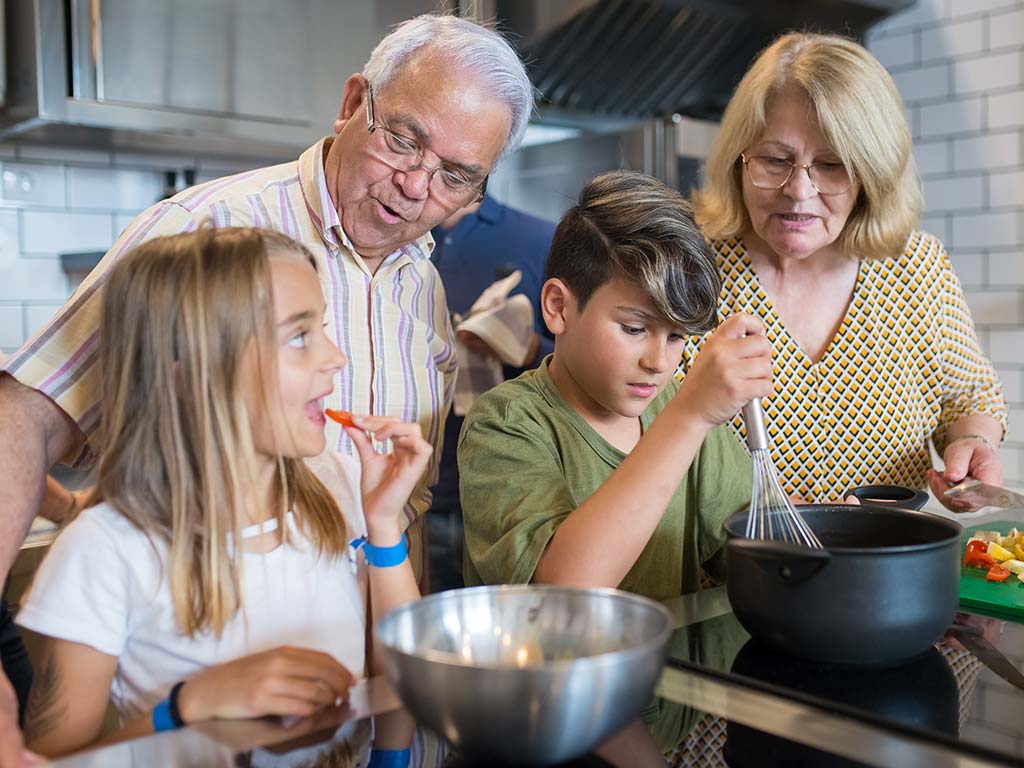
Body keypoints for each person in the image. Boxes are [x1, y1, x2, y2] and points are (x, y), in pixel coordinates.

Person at [0, 15, 532, 761]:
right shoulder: (208, 231)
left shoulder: (422, 286)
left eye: (456, 176)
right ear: (353, 104)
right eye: (404, 139)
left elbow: (393, 525)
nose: (416, 186)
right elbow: (24, 414)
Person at [15, 228, 431, 759]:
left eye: (322, 328)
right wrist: (189, 704)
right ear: (194, 377)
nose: (335, 358)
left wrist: (385, 526)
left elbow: (394, 680)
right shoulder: (103, 551)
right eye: (300, 337)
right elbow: (51, 759)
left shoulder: (342, 481)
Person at [680, 32, 1007, 506]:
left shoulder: (915, 268)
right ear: (739, 158)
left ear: (872, 176)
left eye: (831, 165)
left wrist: (972, 447)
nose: (799, 191)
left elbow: (969, 399)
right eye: (776, 160)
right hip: (735, 572)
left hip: (888, 569)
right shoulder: (689, 271)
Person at [427, 195, 555, 592]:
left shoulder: (540, 239)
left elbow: (583, 362)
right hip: (405, 499)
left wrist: (530, 348)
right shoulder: (394, 232)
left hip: (510, 499)